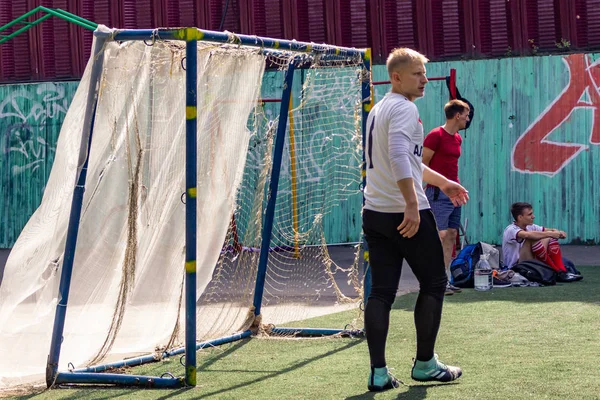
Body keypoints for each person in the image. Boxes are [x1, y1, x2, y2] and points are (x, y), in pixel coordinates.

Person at [362, 47, 468, 392]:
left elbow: (407, 160)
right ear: (396, 77)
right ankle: (425, 365)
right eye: (417, 74)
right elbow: (396, 156)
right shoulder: (406, 108)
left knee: (381, 292)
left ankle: (378, 374)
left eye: (424, 73)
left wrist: (444, 182)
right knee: (435, 283)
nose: (424, 80)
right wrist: (410, 204)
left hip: (374, 212)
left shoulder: (380, 108)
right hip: (404, 213)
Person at [422, 99, 471, 295]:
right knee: (439, 236)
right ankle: (433, 281)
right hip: (436, 192)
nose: (468, 118)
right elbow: (422, 164)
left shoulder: (457, 137)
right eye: (466, 114)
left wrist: (456, 188)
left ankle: (445, 280)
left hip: (454, 193)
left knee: (451, 234)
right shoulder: (436, 135)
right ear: (457, 115)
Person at [502, 202, 580, 281]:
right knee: (532, 238)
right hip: (516, 267)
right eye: (530, 214)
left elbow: (549, 230)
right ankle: (557, 271)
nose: (533, 216)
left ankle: (561, 271)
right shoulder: (510, 229)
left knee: (548, 237)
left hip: (530, 262)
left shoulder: (530, 226)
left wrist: (559, 232)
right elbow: (527, 235)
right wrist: (550, 234)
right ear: (520, 217)